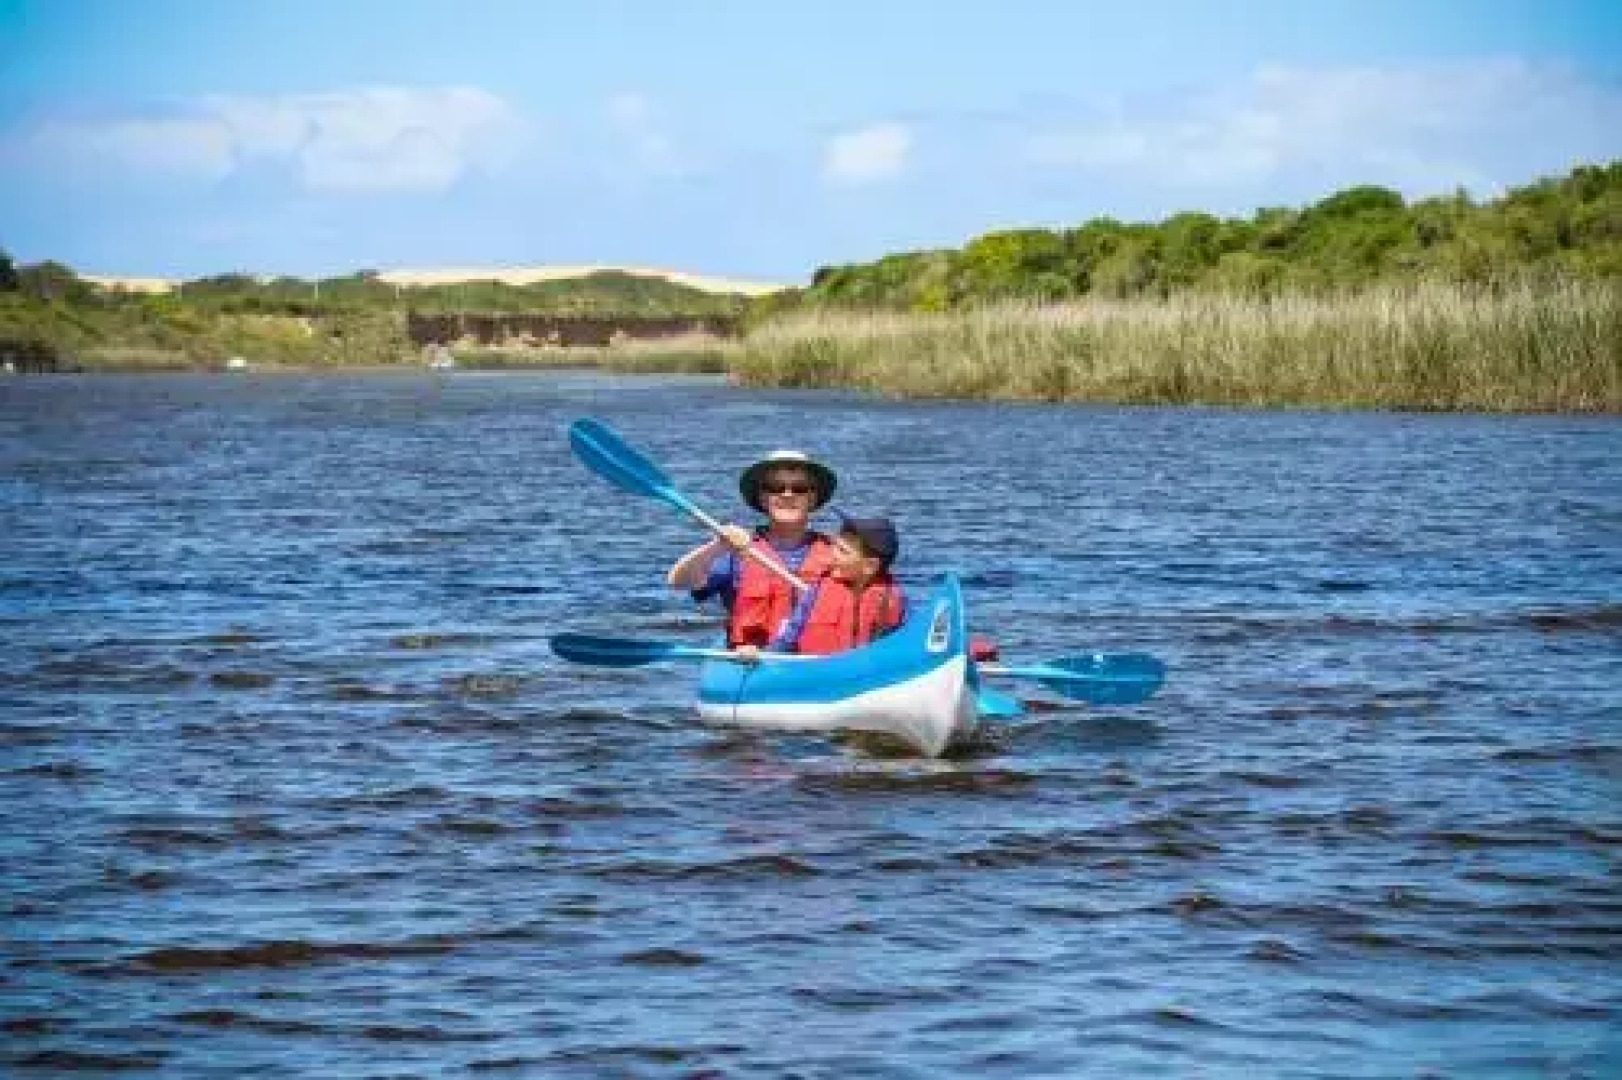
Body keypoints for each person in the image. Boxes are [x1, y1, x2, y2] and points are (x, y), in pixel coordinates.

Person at [666, 449, 839, 648]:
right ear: (763, 498)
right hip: (754, 662)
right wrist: (717, 546)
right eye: (775, 487)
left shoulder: (838, 554)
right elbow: (679, 581)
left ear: (812, 498)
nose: (787, 495)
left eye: (799, 488)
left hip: (819, 662)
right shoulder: (739, 551)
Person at [764, 513, 908, 656]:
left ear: (870, 566)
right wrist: (763, 655)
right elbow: (788, 637)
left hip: (867, 674)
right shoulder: (818, 589)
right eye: (835, 546)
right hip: (815, 671)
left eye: (843, 551)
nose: (833, 554)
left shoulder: (894, 599)